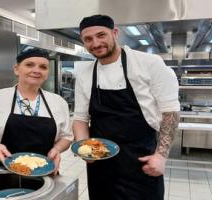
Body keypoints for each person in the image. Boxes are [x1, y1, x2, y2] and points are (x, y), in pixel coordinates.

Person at [73, 15, 180, 200]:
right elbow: (80, 119)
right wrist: (84, 147)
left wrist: (161, 156)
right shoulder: (85, 74)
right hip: (101, 162)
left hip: (141, 160)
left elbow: (170, 112)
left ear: (115, 33)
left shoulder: (149, 64)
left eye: (101, 35)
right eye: (88, 39)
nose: (96, 43)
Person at [0, 48, 73, 175]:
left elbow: (66, 137)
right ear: (16, 69)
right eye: (29, 65)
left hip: (41, 172)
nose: (36, 70)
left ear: (47, 73)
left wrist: (57, 149)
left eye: (43, 67)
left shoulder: (58, 102)